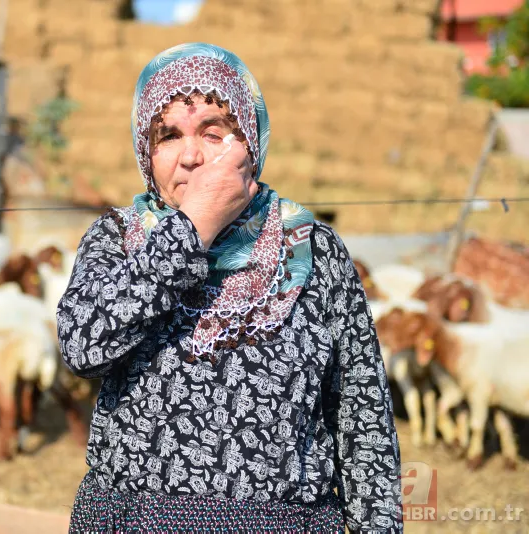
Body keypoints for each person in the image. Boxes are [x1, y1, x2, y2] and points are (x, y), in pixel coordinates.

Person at [57, 43, 403, 533]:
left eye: (214, 131)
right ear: (146, 153)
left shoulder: (313, 249)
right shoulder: (119, 238)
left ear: (250, 141)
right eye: (168, 136)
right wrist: (193, 227)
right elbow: (83, 347)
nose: (192, 156)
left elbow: (361, 412)